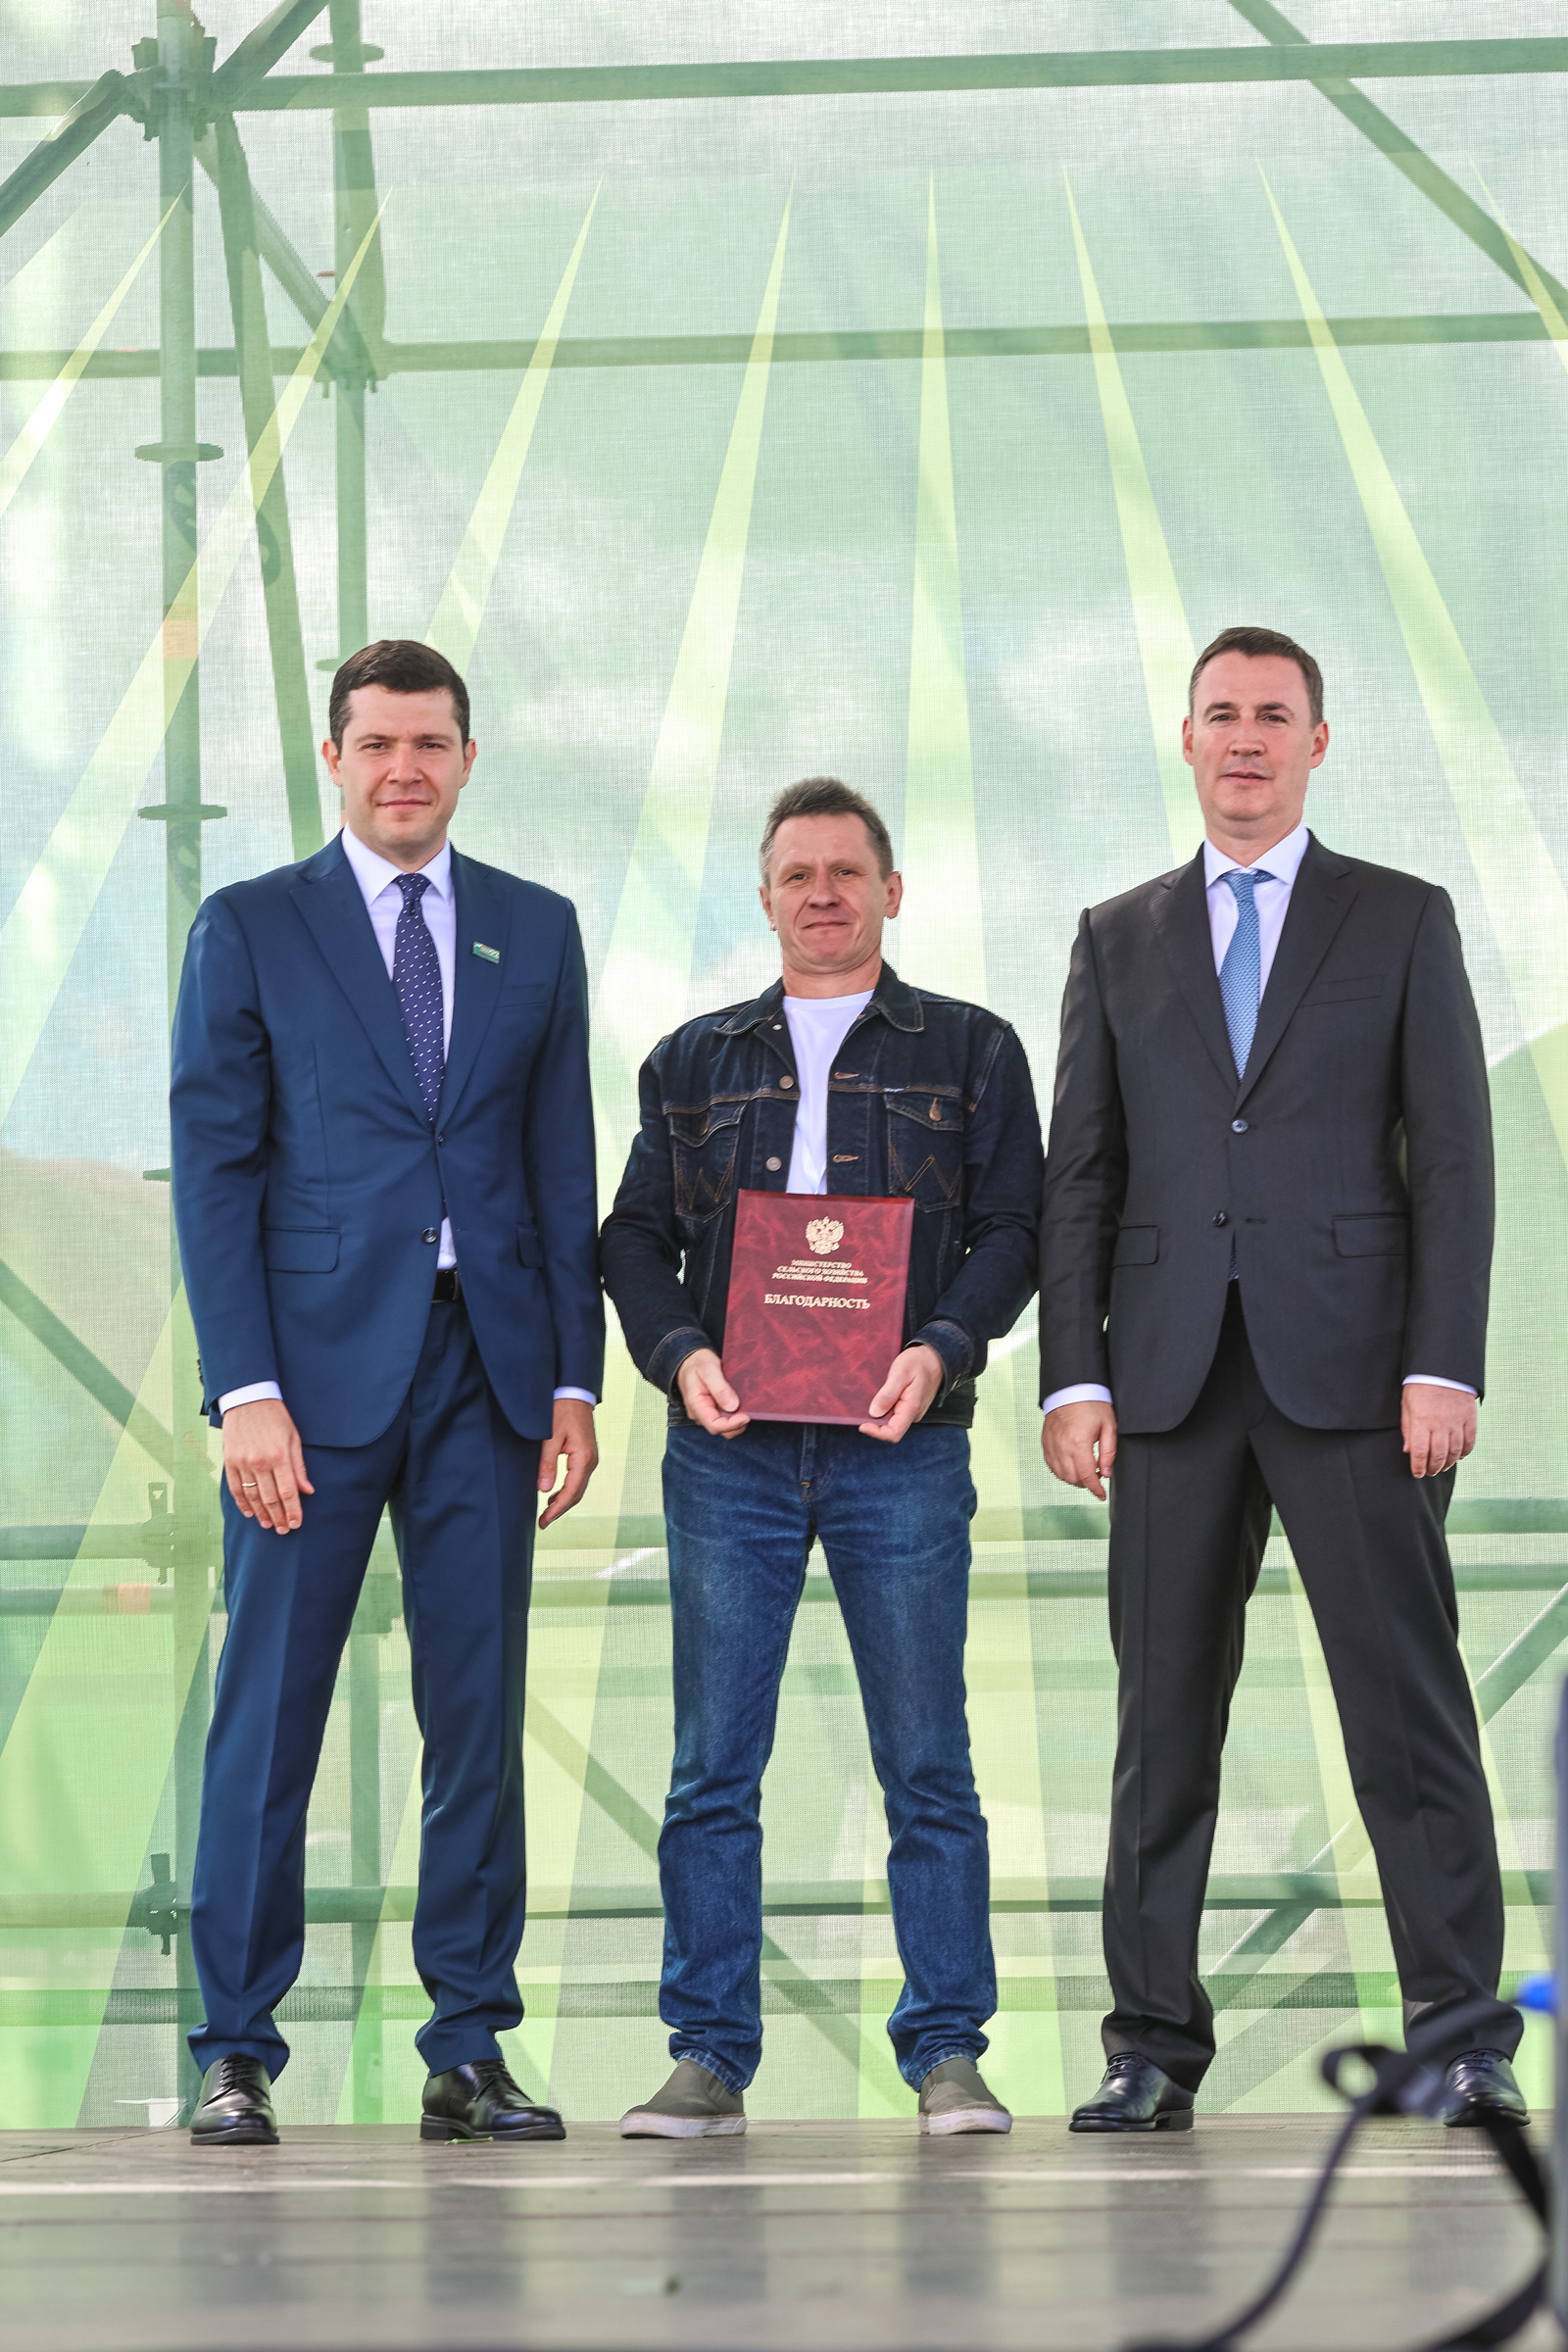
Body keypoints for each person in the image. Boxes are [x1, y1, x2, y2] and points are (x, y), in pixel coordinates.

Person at [1040, 624, 1523, 2133]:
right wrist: (1072, 1379)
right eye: (1221, 713)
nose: (1245, 737)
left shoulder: (1402, 918)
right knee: (1161, 1738)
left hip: (1365, 1382)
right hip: (1167, 1388)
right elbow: (1081, 1176)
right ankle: (1149, 2049)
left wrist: (1444, 1361)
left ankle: (1463, 2042)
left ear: (1318, 741)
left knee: (1408, 1722)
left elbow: (1454, 1160)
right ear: (1186, 739)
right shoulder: (1115, 936)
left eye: (1273, 714)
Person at [171, 639, 603, 2146]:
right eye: (377, 743)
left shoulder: (537, 930)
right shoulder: (251, 927)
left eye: (430, 743)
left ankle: (468, 2046)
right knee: (268, 1718)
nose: (404, 767)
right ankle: (234, 2047)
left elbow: (559, 1165)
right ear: (335, 758)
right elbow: (215, 1171)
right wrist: (245, 1389)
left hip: (487, 1373)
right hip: (304, 1388)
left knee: (475, 1721)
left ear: (468, 759)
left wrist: (572, 1376)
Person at [600, 778, 1042, 2138]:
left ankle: (948, 2052)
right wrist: (680, 1352)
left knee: (927, 1761)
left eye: (847, 872)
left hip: (900, 1447)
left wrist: (942, 1349)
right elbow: (631, 1237)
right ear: (765, 897)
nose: (823, 894)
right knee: (712, 1770)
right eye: (797, 874)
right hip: (728, 1450)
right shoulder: (691, 1061)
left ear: (892, 892)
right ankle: (708, 2056)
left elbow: (1016, 1230)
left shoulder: (971, 1050)